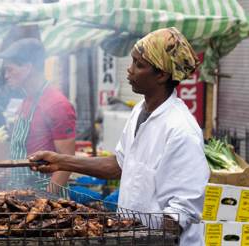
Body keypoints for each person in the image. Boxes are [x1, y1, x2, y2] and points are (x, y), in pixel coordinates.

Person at [29, 27, 209, 245]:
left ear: (161, 74)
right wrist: (61, 161)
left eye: (139, 65)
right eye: (132, 62)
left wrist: (127, 235)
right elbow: (118, 165)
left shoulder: (181, 130)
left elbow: (180, 214)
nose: (129, 70)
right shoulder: (139, 111)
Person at [0, 38, 76, 188]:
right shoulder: (26, 101)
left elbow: (67, 163)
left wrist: (46, 200)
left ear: (27, 68)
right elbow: (19, 155)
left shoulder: (57, 105)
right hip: (18, 192)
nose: (6, 76)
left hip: (41, 196)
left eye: (10, 69)